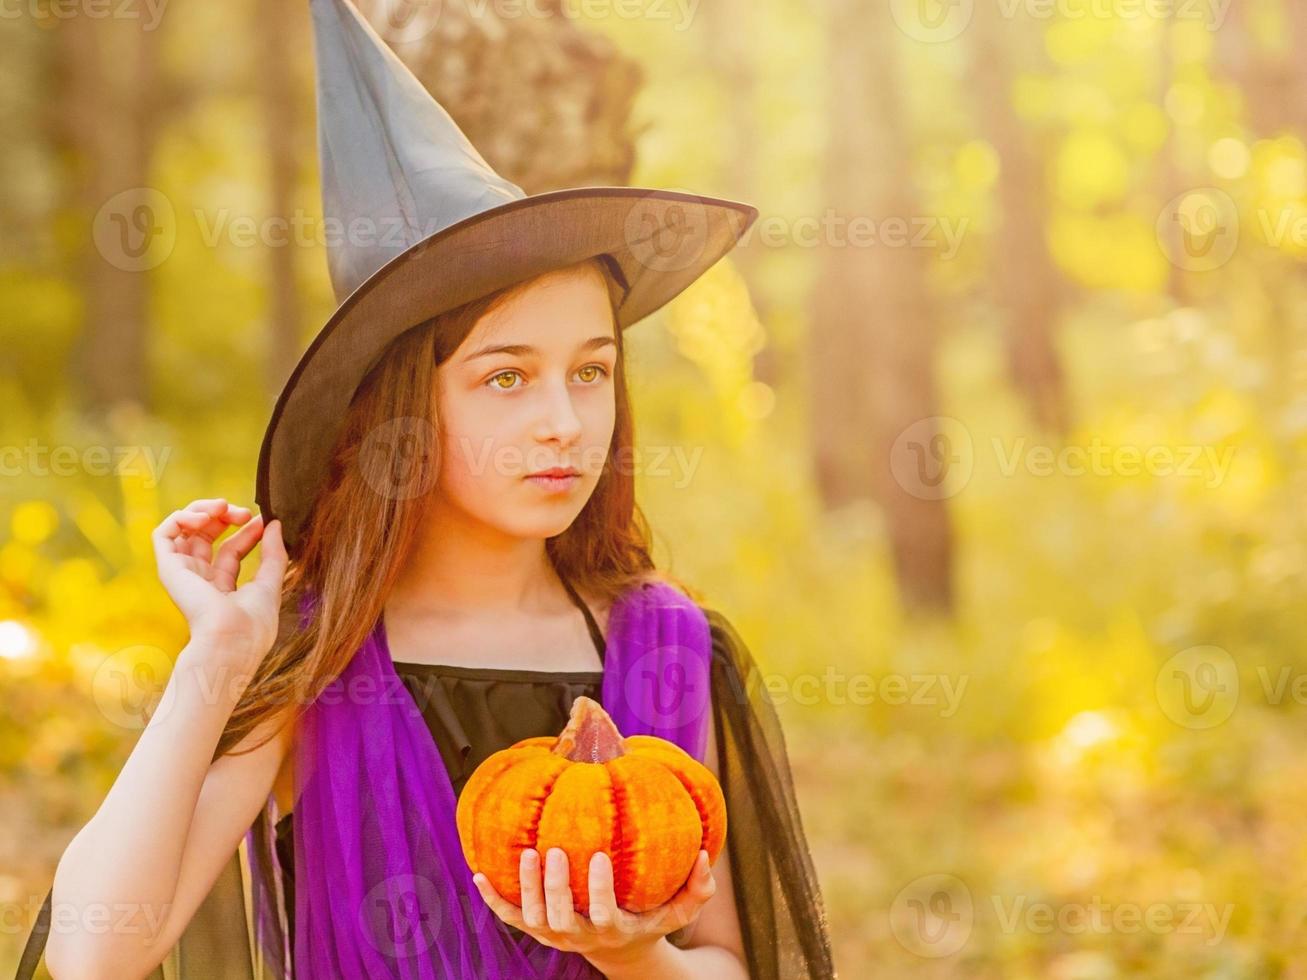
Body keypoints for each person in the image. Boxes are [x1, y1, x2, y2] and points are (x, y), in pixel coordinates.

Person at [22, 1, 836, 977]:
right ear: (400, 418)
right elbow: (91, 954)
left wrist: (631, 953)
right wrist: (220, 655)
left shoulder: (663, 644)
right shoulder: (313, 656)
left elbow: (730, 965)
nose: (564, 422)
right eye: (505, 376)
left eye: (589, 370)